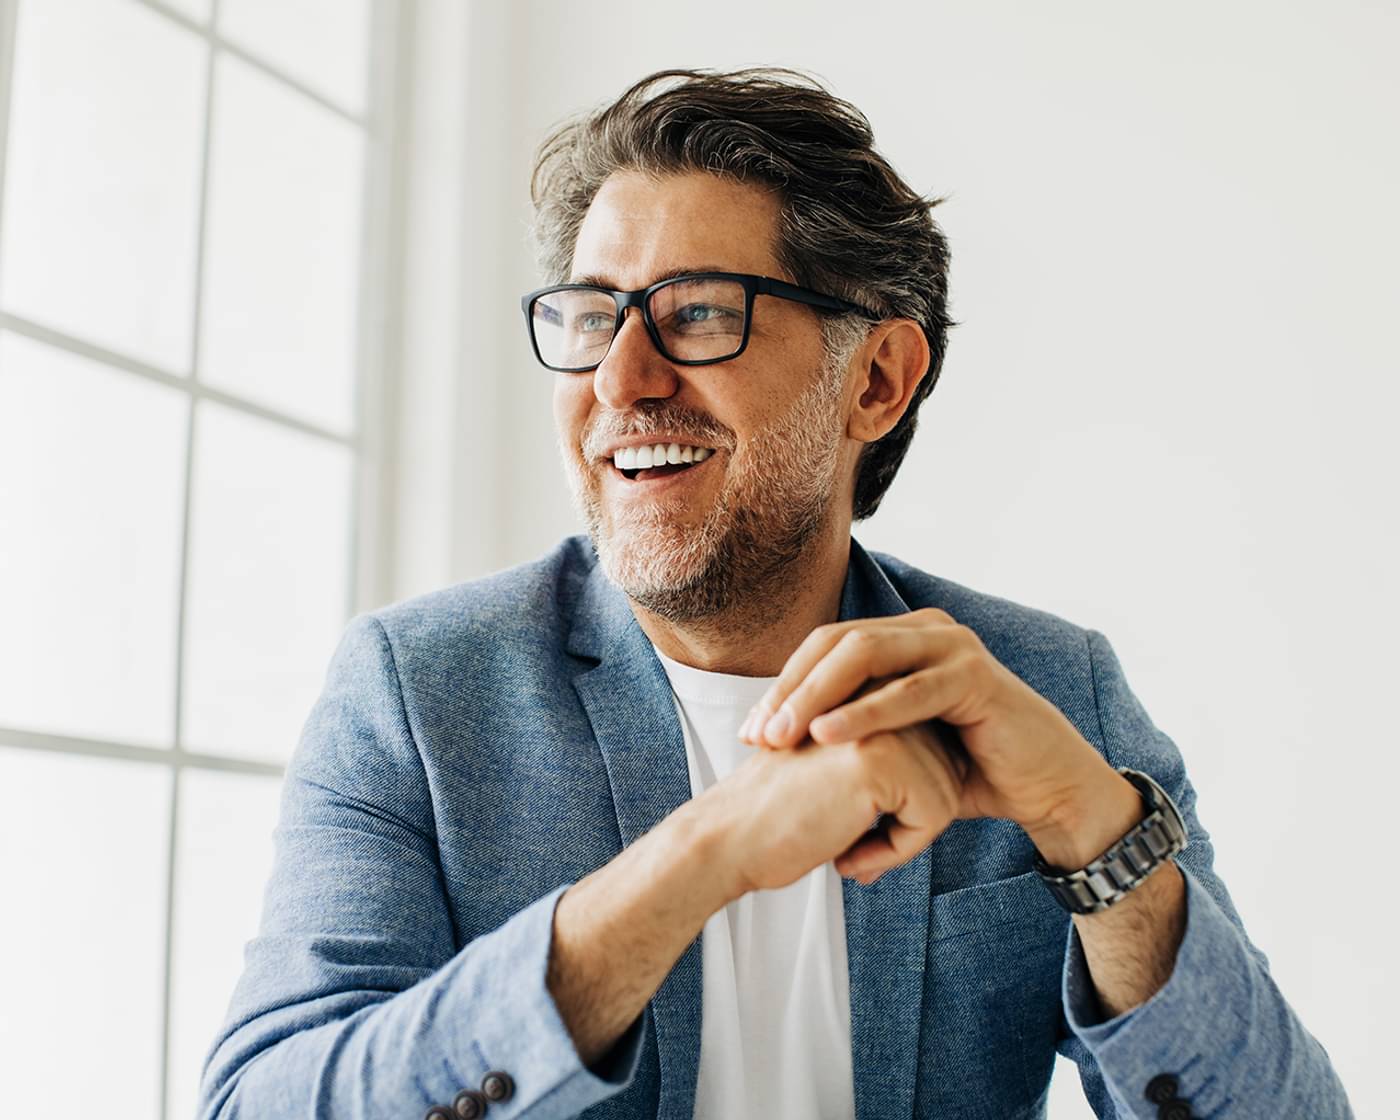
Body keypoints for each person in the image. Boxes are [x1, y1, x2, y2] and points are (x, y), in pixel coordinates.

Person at [197, 68, 1353, 1120]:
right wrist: (698, 857)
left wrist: (1100, 841)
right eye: (592, 315)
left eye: (698, 311)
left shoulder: (1050, 693)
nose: (620, 379)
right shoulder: (417, 691)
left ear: (877, 379)